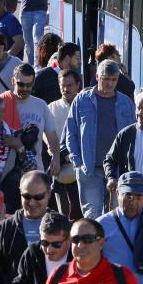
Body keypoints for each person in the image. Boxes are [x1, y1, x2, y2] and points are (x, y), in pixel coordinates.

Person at [66, 60, 137, 219]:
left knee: (116, 217)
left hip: (118, 169)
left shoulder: (126, 103)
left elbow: (134, 136)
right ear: (97, 77)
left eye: (113, 80)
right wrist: (78, 162)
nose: (110, 83)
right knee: (92, 216)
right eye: (106, 79)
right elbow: (70, 133)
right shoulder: (82, 100)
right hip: (89, 169)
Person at [0, 170, 53, 284]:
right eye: (27, 197)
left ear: (49, 194)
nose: (32, 202)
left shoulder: (62, 228)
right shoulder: (4, 229)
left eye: (38, 197)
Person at [98, 171, 143, 284]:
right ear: (118, 194)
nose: (133, 202)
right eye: (128, 196)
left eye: (138, 197)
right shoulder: (101, 225)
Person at [1, 63, 61, 177]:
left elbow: (52, 136)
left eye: (28, 85)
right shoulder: (2, 103)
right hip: (7, 171)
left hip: (35, 170)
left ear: (33, 83)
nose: (25, 89)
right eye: (21, 84)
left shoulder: (41, 105)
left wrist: (56, 157)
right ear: (13, 81)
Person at [49, 68, 83, 219]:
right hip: (60, 170)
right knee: (63, 216)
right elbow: (48, 138)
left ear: (78, 85)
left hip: (81, 170)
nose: (65, 89)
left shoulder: (85, 106)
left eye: (69, 85)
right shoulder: (51, 108)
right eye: (62, 85)